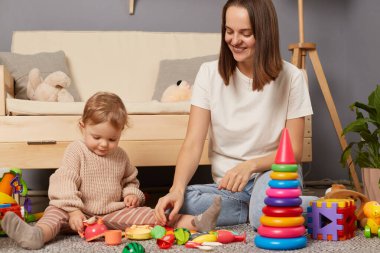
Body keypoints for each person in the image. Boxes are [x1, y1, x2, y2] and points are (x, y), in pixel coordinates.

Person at [154, 0, 317, 230]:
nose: (234, 40)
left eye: (245, 33)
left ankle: (296, 207)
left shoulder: (292, 77)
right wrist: (176, 190)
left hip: (274, 173)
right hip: (229, 187)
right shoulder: (209, 73)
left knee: (264, 217)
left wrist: (250, 165)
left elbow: (295, 152)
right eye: (229, 31)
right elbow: (192, 143)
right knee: (183, 200)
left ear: (264, 33)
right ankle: (261, 208)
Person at [1, 92, 221, 250]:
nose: (104, 144)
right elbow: (64, 181)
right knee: (53, 214)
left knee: (150, 214)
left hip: (110, 213)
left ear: (120, 133)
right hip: (76, 213)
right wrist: (73, 211)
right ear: (82, 127)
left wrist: (131, 195)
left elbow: (130, 181)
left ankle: (195, 222)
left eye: (112, 139)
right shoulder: (76, 150)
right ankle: (36, 236)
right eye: (96, 137)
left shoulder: (121, 156)